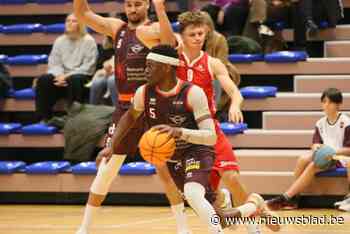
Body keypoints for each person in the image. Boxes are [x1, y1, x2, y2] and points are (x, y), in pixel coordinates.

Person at [105, 44, 271, 233]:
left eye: (151, 65)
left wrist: (180, 132)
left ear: (166, 67)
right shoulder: (143, 92)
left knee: (193, 194)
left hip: (197, 150)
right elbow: (128, 118)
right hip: (172, 157)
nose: (145, 70)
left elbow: (210, 137)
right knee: (220, 217)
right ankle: (251, 206)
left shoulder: (193, 93)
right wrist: (112, 145)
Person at [140, 11, 280, 234]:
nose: (198, 37)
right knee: (213, 212)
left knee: (232, 177)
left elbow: (235, 92)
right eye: (192, 34)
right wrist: (159, 8)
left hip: (207, 129)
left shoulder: (211, 63)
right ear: (182, 36)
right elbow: (148, 40)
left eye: (201, 33)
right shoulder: (172, 60)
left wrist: (235, 104)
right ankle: (247, 204)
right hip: (182, 135)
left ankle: (254, 224)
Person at [73, 0, 177, 233]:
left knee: (165, 170)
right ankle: (84, 228)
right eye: (128, 4)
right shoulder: (116, 28)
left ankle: (183, 227)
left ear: (147, 6)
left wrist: (161, 9)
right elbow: (82, 13)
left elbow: (170, 46)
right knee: (106, 168)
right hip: (123, 109)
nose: (132, 9)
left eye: (137, 4)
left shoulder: (152, 30)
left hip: (152, 106)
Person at [267, 88, 350, 211]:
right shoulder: (320, 123)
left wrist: (331, 152)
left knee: (312, 166)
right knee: (302, 159)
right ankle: (294, 198)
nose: (326, 105)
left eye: (329, 102)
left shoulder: (346, 122)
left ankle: (287, 197)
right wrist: (316, 148)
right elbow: (315, 144)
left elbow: (348, 149)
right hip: (325, 156)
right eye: (324, 102)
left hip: (340, 157)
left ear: (338, 104)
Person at [35, 13, 98, 121]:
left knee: (75, 79)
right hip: (61, 78)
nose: (69, 23)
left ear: (81, 24)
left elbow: (88, 67)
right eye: (68, 21)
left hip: (81, 78)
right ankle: (45, 118)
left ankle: (74, 118)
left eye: (74, 21)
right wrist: (59, 75)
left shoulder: (89, 41)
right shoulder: (60, 41)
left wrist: (67, 75)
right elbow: (54, 63)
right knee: (43, 80)